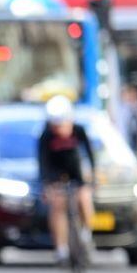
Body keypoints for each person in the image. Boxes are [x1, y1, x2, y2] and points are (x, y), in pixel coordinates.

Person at [38, 95, 95, 264]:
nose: (60, 130)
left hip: (76, 169)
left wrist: (92, 177)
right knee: (58, 205)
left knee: (84, 197)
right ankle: (61, 249)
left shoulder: (79, 131)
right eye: (56, 126)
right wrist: (47, 184)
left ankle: (86, 234)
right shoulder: (47, 136)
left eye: (63, 125)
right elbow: (43, 162)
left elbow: (90, 155)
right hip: (56, 171)